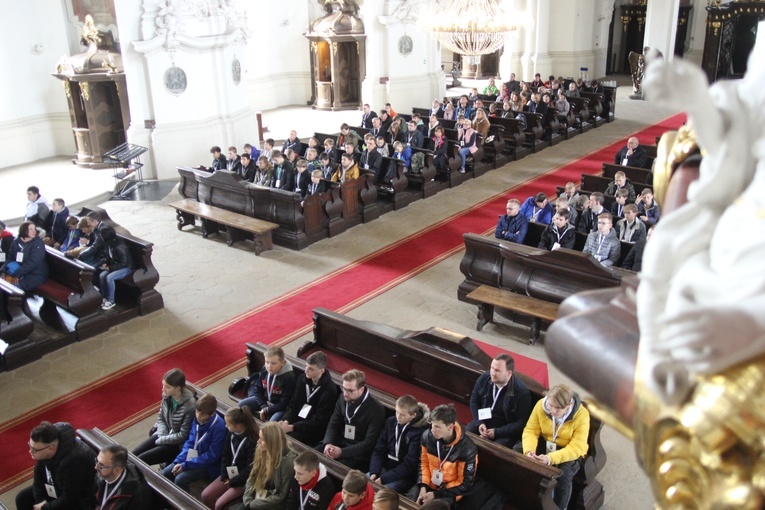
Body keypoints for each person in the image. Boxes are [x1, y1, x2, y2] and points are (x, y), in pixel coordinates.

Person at [521, 384, 590, 510]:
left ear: (568, 405)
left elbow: (577, 447)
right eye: (550, 405)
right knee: (518, 453)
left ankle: (560, 507)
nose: (552, 411)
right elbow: (531, 430)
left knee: (563, 475)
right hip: (547, 442)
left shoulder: (582, 415)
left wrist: (550, 459)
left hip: (570, 451)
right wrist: (529, 451)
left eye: (557, 408)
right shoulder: (541, 405)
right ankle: (526, 499)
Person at [15, 421, 96, 510]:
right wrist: (41, 500)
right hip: (56, 486)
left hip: (78, 500)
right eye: (30, 446)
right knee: (22, 498)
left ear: (51, 448)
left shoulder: (75, 461)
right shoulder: (47, 445)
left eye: (34, 449)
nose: (30, 451)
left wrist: (45, 507)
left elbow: (70, 499)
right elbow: (38, 474)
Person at [322, 369, 386, 471]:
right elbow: (333, 424)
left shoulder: (376, 409)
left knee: (334, 469)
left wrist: (342, 452)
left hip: (358, 453)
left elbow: (369, 442)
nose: (345, 393)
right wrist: (328, 443)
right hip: (341, 442)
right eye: (343, 388)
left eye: (350, 390)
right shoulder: (342, 398)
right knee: (314, 456)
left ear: (361, 389)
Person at [416, 404, 478, 507]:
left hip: (450, 492)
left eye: (437, 427)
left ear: (450, 427)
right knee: (411, 501)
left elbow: (465, 483)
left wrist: (436, 494)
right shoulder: (427, 436)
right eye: (431, 425)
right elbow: (423, 463)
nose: (432, 430)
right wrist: (423, 486)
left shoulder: (467, 449)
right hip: (429, 484)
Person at [133, 368, 196, 466]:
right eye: (163, 385)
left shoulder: (190, 406)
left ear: (178, 388)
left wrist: (162, 439)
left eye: (167, 387)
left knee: (141, 460)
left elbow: (183, 435)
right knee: (133, 455)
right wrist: (162, 435)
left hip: (176, 445)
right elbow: (161, 418)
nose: (163, 389)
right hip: (164, 434)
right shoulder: (167, 396)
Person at [162, 393, 226, 491]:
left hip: (208, 464)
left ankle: (184, 503)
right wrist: (179, 461)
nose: (198, 416)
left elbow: (212, 456)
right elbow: (190, 442)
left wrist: (185, 465)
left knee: (180, 479)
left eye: (202, 414)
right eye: (197, 412)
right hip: (193, 457)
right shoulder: (197, 420)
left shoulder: (219, 427)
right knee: (166, 472)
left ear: (212, 414)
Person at [467, 353, 531, 447]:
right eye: (492, 368)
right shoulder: (484, 378)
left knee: (494, 451)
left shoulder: (521, 392)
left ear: (508, 373)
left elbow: (521, 423)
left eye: (497, 370)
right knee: (464, 436)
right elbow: (474, 401)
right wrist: (479, 423)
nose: (492, 373)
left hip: (505, 430)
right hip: (483, 422)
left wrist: (497, 432)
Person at [201, 406, 259, 510]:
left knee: (219, 505)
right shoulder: (231, 433)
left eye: (228, 424)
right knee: (206, 495)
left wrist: (233, 481)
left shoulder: (252, 441)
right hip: (230, 474)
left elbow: (250, 469)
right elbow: (226, 454)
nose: (225, 426)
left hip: (244, 480)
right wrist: (224, 475)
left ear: (238, 426)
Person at [368, 395, 429, 493]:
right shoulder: (390, 422)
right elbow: (379, 450)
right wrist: (374, 473)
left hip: (403, 476)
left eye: (402, 415)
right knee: (363, 484)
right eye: (397, 412)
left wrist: (383, 479)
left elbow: (409, 465)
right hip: (386, 467)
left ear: (413, 415)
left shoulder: (418, 432)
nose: (398, 417)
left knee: (381, 493)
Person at [279, 351, 339, 447]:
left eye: (311, 369)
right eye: (306, 366)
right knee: (274, 429)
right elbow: (293, 404)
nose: (306, 370)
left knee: (284, 439)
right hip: (297, 421)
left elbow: (319, 421)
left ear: (322, 371)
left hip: (314, 430)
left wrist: (293, 427)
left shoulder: (330, 390)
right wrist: (286, 420)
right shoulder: (302, 379)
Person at [241, 422, 297, 510]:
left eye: (262, 439)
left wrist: (255, 504)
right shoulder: (260, 449)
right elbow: (252, 477)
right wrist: (247, 498)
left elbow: (282, 495)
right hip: (258, 493)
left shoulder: (288, 461)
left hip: (273, 503)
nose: (258, 441)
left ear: (272, 441)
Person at [239, 346, 297, 422]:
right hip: (266, 401)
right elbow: (258, 389)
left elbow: (284, 403)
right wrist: (264, 406)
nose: (269, 366)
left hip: (280, 407)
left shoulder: (289, 377)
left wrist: (267, 410)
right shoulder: (264, 369)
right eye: (267, 362)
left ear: (283, 363)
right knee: (241, 405)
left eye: (273, 363)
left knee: (271, 424)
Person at [94, 444, 153, 510]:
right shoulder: (101, 476)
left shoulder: (136, 493)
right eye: (97, 461)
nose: (96, 467)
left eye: (101, 466)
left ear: (116, 470)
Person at [0, 222, 48, 292]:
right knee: (3, 282)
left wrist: (18, 275)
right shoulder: (16, 242)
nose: (34, 231)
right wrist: (3, 271)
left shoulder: (38, 244)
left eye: (34, 229)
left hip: (35, 273)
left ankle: (27, 301)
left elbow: (33, 263)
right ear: (24, 230)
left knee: (15, 287)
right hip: (19, 269)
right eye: (31, 229)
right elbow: (10, 258)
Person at [97, 226, 135, 310]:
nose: (100, 237)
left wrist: (109, 268)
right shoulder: (109, 244)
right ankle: (104, 297)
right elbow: (109, 256)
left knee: (110, 277)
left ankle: (111, 301)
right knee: (102, 275)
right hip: (115, 266)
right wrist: (106, 264)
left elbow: (124, 263)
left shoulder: (119, 246)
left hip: (127, 268)